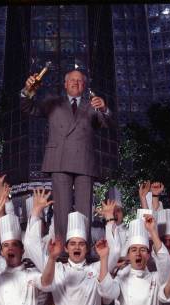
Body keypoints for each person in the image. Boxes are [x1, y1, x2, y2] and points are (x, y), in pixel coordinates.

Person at [20, 69, 115, 242]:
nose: (75, 83)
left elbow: (107, 123)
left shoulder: (93, 104)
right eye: (72, 80)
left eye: (79, 80)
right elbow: (28, 107)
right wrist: (28, 90)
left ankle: (82, 248)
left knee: (83, 208)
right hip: (59, 160)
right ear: (65, 84)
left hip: (84, 162)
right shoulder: (53, 102)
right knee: (61, 208)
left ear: (84, 85)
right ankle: (62, 249)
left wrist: (105, 108)